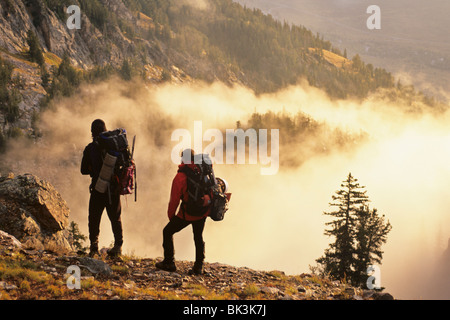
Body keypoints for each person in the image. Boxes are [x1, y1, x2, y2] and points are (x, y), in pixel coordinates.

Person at [155, 149, 211, 275]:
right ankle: (198, 267)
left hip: (187, 214)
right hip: (202, 212)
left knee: (167, 231)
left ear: (183, 159)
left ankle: (169, 262)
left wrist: (171, 216)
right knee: (198, 237)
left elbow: (174, 200)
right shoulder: (202, 171)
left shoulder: (180, 177)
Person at [80, 119, 123, 258]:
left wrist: (94, 169)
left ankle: (94, 247)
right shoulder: (115, 147)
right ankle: (118, 247)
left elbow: (83, 170)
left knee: (94, 217)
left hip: (98, 188)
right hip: (114, 189)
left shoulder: (91, 148)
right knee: (115, 218)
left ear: (92, 132)